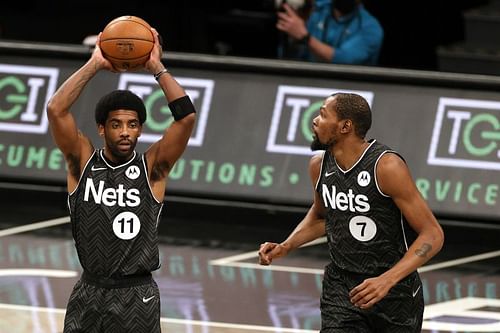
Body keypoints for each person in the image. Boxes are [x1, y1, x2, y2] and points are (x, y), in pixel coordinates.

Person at [46, 28, 195, 332]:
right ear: (102, 129)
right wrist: (95, 63)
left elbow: (186, 118)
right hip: (89, 291)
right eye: (116, 125)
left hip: (136, 296)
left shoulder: (153, 168)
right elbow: (55, 109)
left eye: (132, 125)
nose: (125, 132)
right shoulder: (82, 162)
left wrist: (156, 67)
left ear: (140, 129)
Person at [258, 93, 444, 332]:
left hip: (394, 292)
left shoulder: (386, 167)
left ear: (346, 126)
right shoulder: (318, 165)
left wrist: (387, 279)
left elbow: (433, 234)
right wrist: (286, 245)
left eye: (323, 114)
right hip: (341, 286)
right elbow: (324, 217)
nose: (315, 120)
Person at [276, 0, 383, 65]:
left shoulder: (371, 28)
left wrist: (305, 37)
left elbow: (344, 59)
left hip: (347, 89)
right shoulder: (317, 8)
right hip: (305, 78)